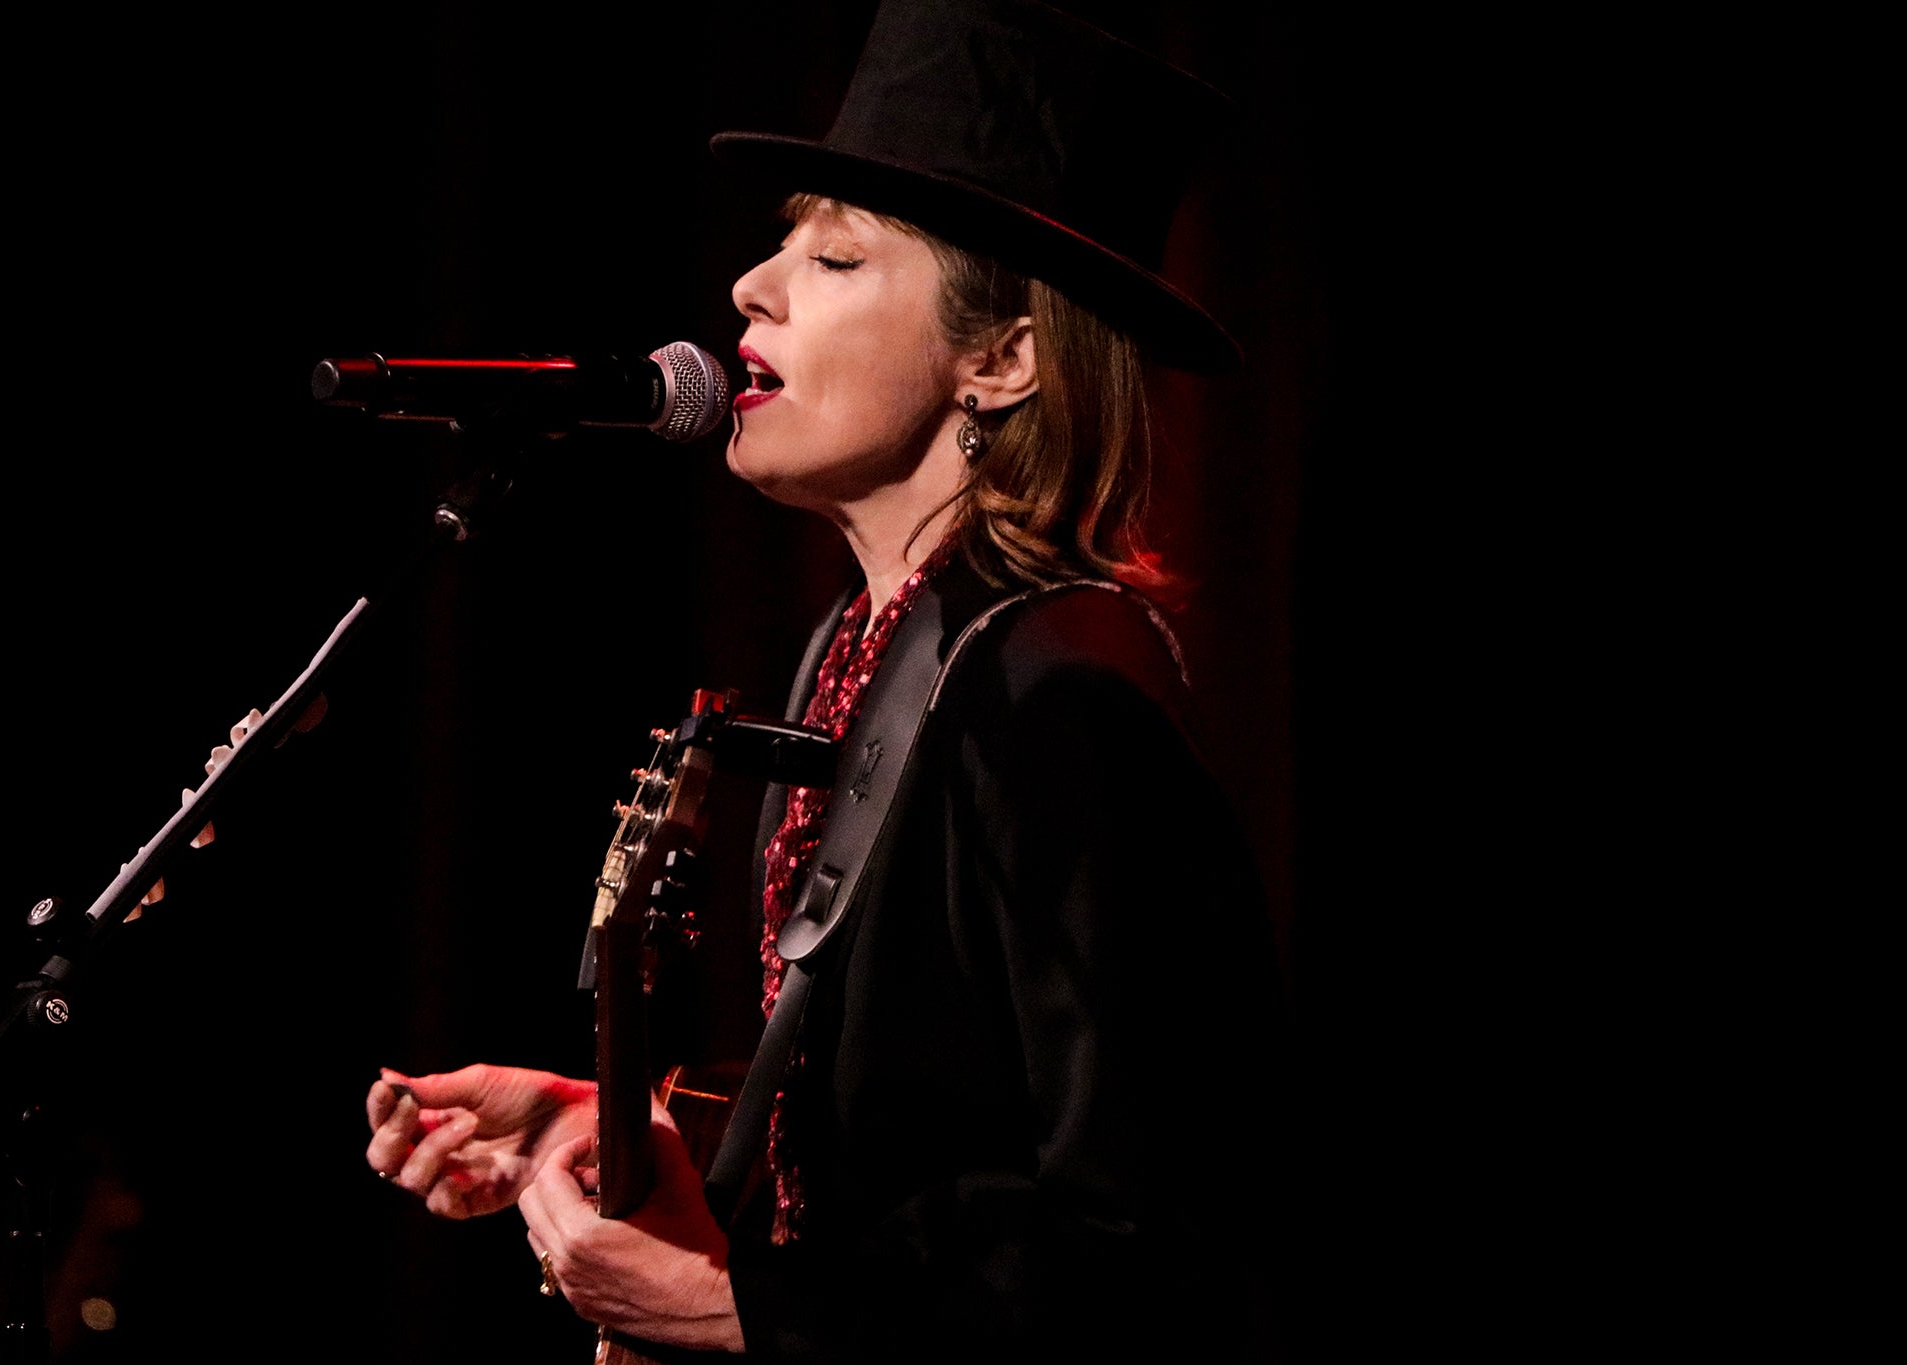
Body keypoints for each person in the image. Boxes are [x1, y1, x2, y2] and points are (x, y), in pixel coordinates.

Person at [365, 1, 1289, 1359]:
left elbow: (1152, 1254)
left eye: (837, 254)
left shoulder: (1060, 697)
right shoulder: (858, 650)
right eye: (781, 238)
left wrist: (722, 1309)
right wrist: (632, 1123)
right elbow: (914, 1158)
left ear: (1002, 357)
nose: (752, 284)